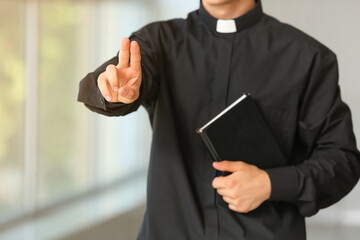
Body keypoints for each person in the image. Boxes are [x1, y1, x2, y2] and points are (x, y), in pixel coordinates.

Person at [77, 0, 360, 239]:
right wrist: (113, 90)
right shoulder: (157, 43)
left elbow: (343, 160)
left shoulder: (307, 58)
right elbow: (110, 83)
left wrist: (271, 183)